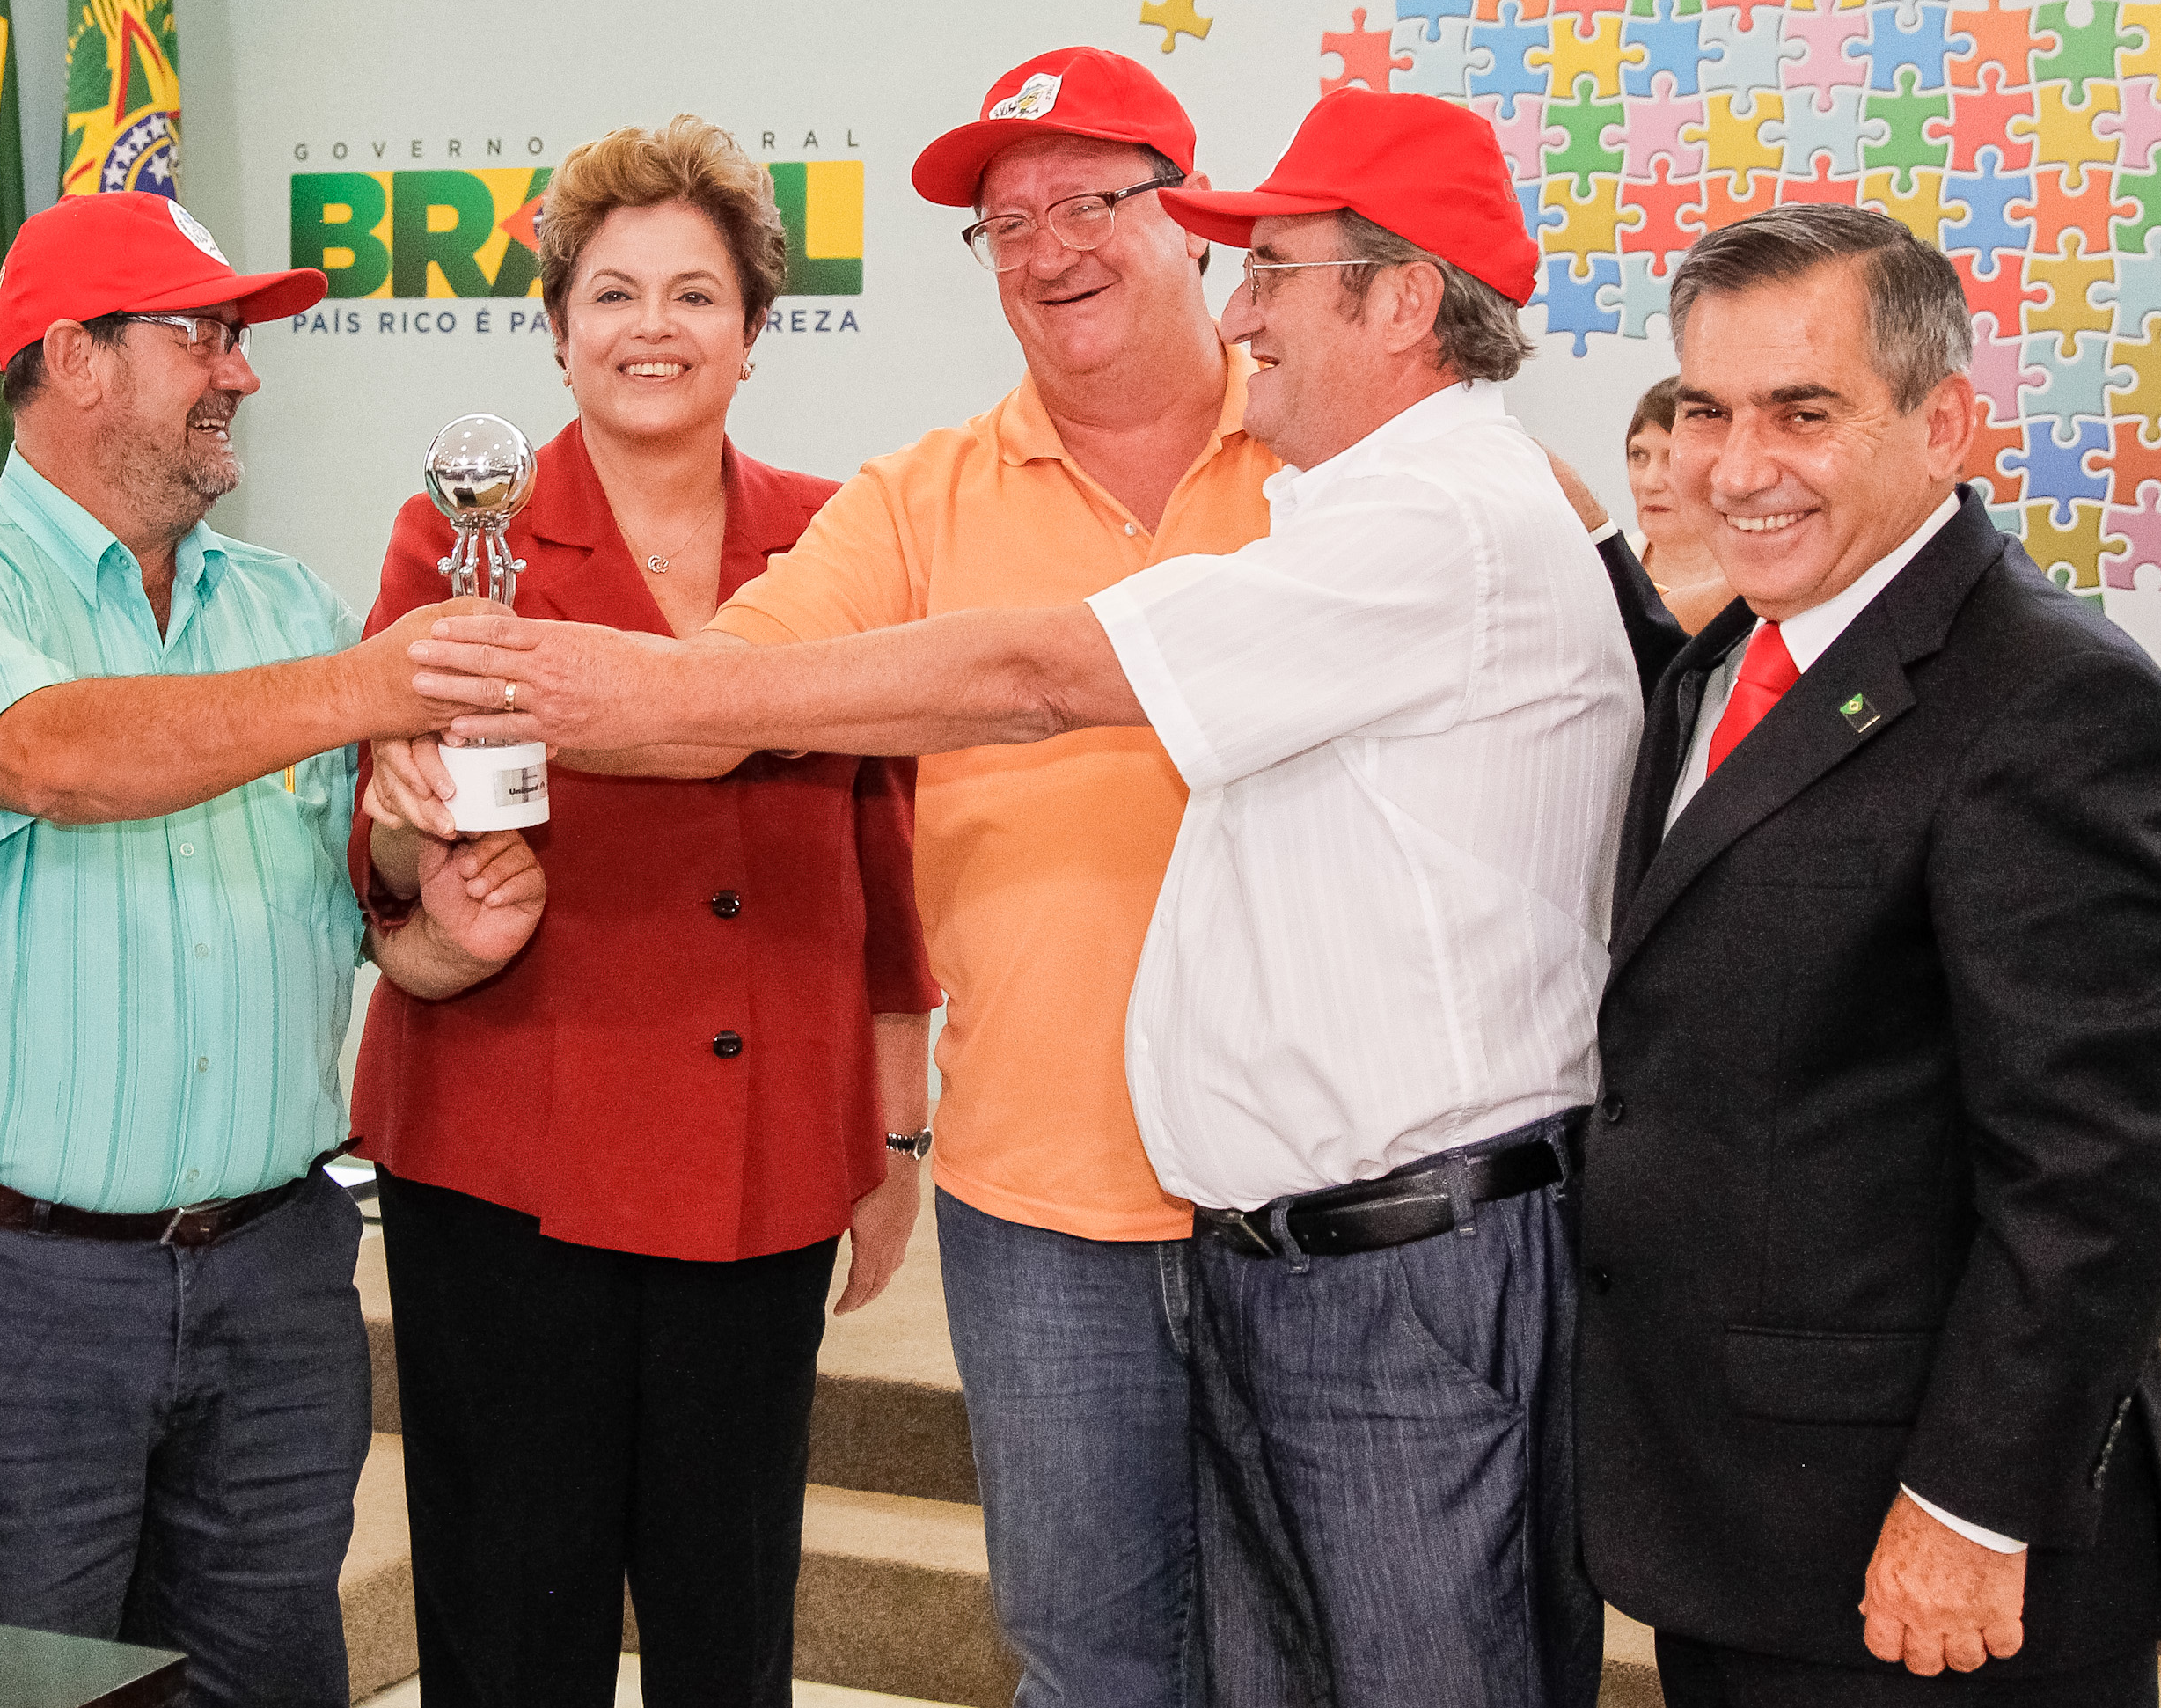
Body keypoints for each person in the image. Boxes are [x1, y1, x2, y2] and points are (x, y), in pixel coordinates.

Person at [405, 87, 1639, 1708]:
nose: (1048, 251)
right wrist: (529, 713)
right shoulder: (942, 491)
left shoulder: (1373, 496)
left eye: (1111, 211)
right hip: (1088, 1205)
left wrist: (572, 686)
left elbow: (1037, 670)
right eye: (1004, 223)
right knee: (1125, 1661)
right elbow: (742, 690)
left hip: (1381, 1233)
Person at [0, 189, 540, 1705]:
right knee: (7, 1687)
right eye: (203, 334)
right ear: (71, 358)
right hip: (2, 1296)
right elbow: (61, 757)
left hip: (275, 1282)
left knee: (267, 1682)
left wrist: (437, 921)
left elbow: (363, 911)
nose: (242, 372)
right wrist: (360, 687)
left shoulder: (286, 608)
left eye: (241, 336)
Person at [1577, 204, 2161, 1705]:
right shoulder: (1727, 660)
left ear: (1945, 423)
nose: (1739, 466)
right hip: (1732, 1505)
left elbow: (2095, 1167)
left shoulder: (2051, 699)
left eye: (1805, 411)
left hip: (1918, 1551)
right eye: (1707, 412)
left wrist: (1973, 1504)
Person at [349, 116, 941, 1706]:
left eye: (695, 294)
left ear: (753, 332)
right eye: (613, 294)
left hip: (760, 1156)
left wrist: (893, 1141)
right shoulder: (454, 534)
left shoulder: (839, 532)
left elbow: (888, 861)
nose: (653, 329)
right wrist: (424, 862)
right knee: (509, 1608)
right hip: (505, 1147)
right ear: (556, 332)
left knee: (725, 1608)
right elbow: (380, 841)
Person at [1622, 375, 1731, 632]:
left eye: (1673, 458)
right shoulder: (1600, 575)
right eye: (1639, 455)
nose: (1650, 482)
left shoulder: (1769, 590)